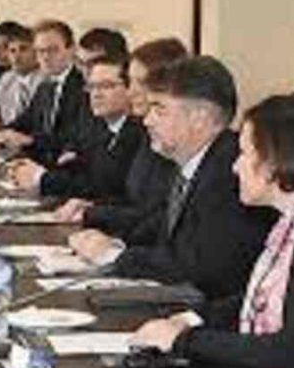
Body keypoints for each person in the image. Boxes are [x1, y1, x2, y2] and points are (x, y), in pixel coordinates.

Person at [130, 93, 294, 368]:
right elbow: (259, 300)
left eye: (245, 154)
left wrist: (184, 341)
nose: (235, 167)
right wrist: (192, 319)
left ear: (275, 160)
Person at [68, 56, 274, 299]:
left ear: (199, 117)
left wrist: (115, 256)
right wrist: (115, 243)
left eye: (159, 110)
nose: (147, 121)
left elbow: (202, 267)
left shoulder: (229, 172)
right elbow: (163, 226)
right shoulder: (194, 162)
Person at [54, 38, 186, 237]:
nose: (131, 91)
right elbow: (132, 200)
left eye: (140, 83)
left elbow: (156, 218)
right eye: (131, 82)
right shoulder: (146, 134)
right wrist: (91, 207)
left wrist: (96, 216)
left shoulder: (164, 140)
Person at [8, 54, 145, 200]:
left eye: (106, 86)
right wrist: (34, 171)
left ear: (130, 89)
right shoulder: (97, 126)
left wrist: (41, 177)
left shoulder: (138, 132)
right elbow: (79, 170)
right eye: (92, 87)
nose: (96, 94)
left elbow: (102, 187)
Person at [0, 19, 91, 165]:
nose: (45, 57)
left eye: (53, 50)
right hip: (37, 164)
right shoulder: (46, 86)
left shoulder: (84, 86)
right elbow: (24, 122)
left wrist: (30, 140)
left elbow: (74, 139)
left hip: (65, 168)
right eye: (40, 51)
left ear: (71, 49)